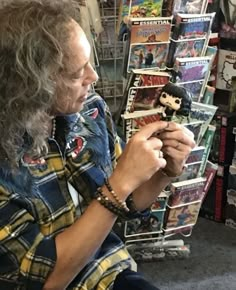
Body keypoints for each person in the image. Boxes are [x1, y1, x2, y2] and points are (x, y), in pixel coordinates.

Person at [0, 1, 195, 290]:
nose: (94, 77)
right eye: (78, 73)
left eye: (89, 63)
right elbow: (47, 281)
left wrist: (163, 170)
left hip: (108, 270)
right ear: (31, 83)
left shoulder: (90, 110)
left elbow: (128, 204)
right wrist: (119, 184)